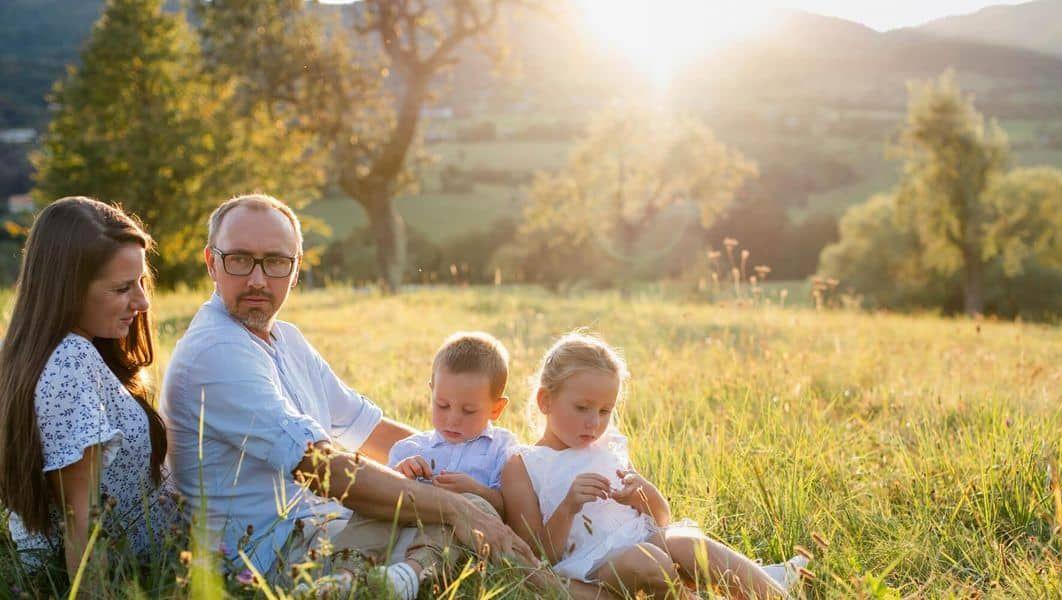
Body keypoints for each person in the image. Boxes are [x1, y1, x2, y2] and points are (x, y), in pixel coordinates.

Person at [160, 194, 543, 586]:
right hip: (271, 557)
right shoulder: (217, 351)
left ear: (295, 270)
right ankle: (552, 588)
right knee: (470, 514)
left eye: (275, 262)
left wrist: (490, 466)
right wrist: (459, 507)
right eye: (239, 259)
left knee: (474, 507)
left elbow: (371, 431)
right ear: (212, 262)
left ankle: (398, 580)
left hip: (325, 529)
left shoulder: (285, 339)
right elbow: (322, 469)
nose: (258, 279)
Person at [500, 332, 806, 599]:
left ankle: (771, 591)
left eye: (605, 410)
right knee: (647, 561)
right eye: (582, 408)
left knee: (686, 544)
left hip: (645, 538)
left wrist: (643, 494)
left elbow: (661, 518)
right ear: (545, 401)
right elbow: (537, 556)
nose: (594, 422)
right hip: (591, 565)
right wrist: (567, 507)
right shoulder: (523, 464)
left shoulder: (608, 445)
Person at [0, 197, 178, 584]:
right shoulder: (68, 361)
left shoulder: (49, 351)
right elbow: (81, 522)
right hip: (137, 578)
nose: (143, 301)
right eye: (122, 288)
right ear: (66, 288)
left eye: (141, 282)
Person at [299, 331, 523, 599]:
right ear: (432, 392)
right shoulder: (411, 447)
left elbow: (507, 509)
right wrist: (400, 474)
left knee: (474, 507)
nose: (452, 419)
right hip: (406, 519)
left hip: (451, 535)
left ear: (496, 408)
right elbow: (384, 494)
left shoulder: (502, 448)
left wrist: (477, 490)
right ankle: (344, 575)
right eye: (443, 405)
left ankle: (412, 574)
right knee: (376, 500)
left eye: (468, 411)